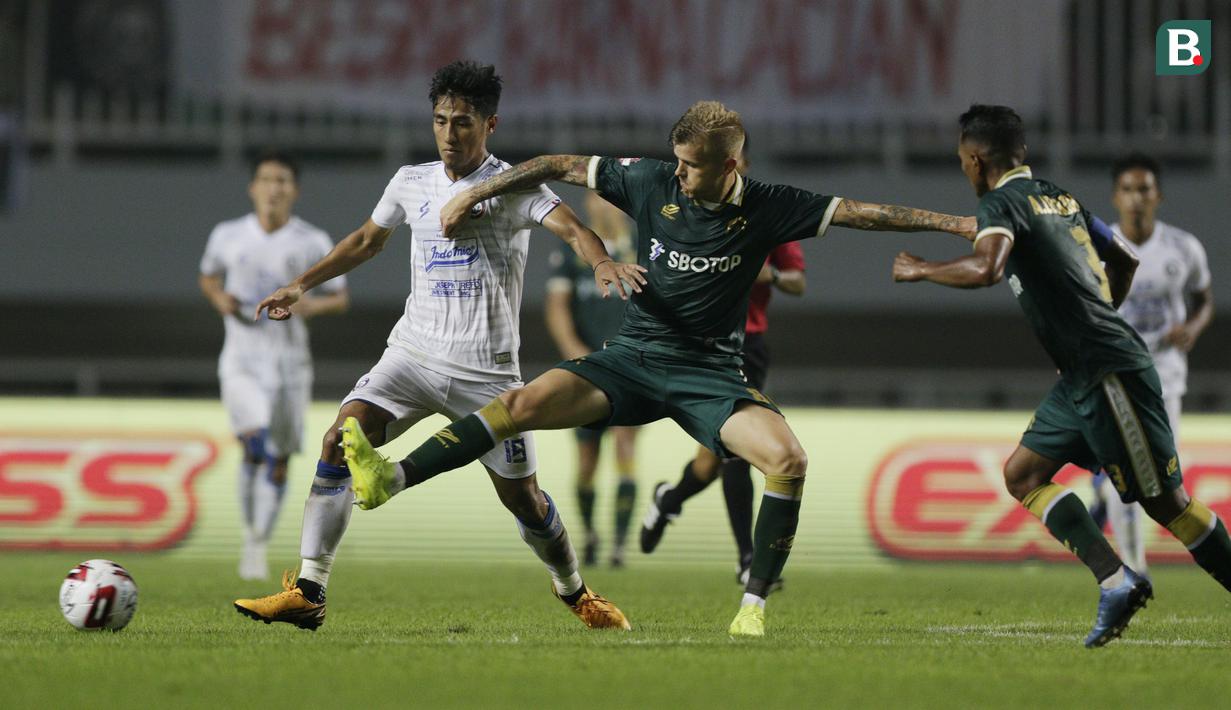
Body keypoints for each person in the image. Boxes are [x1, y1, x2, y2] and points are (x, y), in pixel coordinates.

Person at [341, 100, 975, 637]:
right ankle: (390, 477)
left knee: (789, 461)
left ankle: (752, 605)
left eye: (691, 165)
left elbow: (865, 212)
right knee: (521, 405)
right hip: (634, 357)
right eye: (675, 159)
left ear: (730, 165)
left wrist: (957, 224)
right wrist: (477, 191)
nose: (678, 173)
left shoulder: (771, 205)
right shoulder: (650, 181)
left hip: (709, 374)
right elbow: (557, 165)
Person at [233, 61, 644, 631]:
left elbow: (573, 227)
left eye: (464, 123)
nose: (450, 134)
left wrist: (600, 261)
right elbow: (365, 241)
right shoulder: (411, 181)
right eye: (441, 121)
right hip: (413, 357)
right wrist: (302, 284)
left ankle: (574, 590)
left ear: (490, 125)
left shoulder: (515, 185)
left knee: (524, 501)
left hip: (489, 376)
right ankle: (310, 588)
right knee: (339, 438)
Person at [892, 104, 1231, 647]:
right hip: (1082, 375)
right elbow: (1123, 261)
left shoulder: (1004, 202)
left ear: (977, 160)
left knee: (1167, 504)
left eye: (962, 161)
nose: (963, 170)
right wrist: (1093, 313)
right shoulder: (1060, 197)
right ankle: (1117, 579)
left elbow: (987, 268)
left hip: (1110, 371)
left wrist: (920, 268)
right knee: (1022, 474)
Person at [639, 140, 806, 587]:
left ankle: (673, 503)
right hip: (696, 342)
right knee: (724, 454)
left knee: (724, 456)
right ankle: (743, 555)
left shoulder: (767, 211)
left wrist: (759, 268)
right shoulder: (688, 205)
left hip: (745, 344)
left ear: (740, 164)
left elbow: (797, 282)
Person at [199, 151, 350, 581]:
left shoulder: (312, 240)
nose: (274, 188)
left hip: (289, 365)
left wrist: (308, 307)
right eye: (266, 179)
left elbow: (340, 297)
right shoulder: (228, 235)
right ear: (253, 187)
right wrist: (218, 299)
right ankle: (250, 538)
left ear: (294, 190)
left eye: (282, 180)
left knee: (278, 459)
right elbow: (208, 276)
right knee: (254, 444)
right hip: (242, 359)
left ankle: (259, 538)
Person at [1088, 152, 1215, 577]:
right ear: (1115, 197)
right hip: (1115, 376)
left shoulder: (1184, 247)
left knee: (1161, 478)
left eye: (1144, 189)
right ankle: (1135, 572)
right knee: (1132, 478)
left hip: (1166, 375)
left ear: (1157, 195)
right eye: (1127, 190)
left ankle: (1104, 492)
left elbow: (1205, 300)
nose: (1136, 198)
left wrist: (1193, 329)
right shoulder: (1097, 250)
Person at [545, 191, 641, 568]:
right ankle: (590, 536)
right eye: (601, 200)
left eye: (615, 201)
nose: (608, 207)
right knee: (587, 459)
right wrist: (578, 356)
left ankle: (619, 544)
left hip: (630, 369)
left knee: (625, 447)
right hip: (586, 370)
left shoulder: (640, 250)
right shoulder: (574, 253)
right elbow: (557, 311)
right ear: (589, 205)